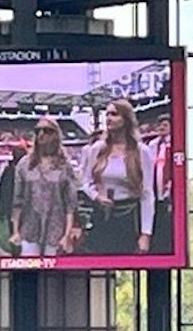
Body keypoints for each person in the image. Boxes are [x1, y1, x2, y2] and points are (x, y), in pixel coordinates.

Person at [81, 97, 155, 254]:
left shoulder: (141, 152)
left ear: (126, 119)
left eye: (114, 114)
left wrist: (145, 234)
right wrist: (96, 196)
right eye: (107, 114)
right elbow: (86, 182)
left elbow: (147, 194)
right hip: (102, 216)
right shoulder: (98, 148)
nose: (108, 118)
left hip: (128, 217)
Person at [10, 117, 79, 257]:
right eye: (38, 131)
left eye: (47, 131)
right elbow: (17, 201)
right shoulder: (24, 165)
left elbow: (70, 205)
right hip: (29, 227)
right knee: (30, 270)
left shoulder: (64, 166)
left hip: (56, 228)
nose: (41, 134)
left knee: (52, 273)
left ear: (55, 135)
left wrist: (67, 234)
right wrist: (15, 231)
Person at [149, 113, 175, 254]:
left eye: (165, 125)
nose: (161, 128)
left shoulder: (175, 144)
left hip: (167, 188)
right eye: (159, 125)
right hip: (153, 189)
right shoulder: (152, 144)